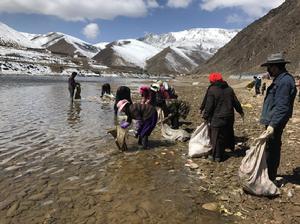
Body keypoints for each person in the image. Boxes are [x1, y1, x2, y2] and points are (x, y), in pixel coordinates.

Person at [259, 53, 297, 181]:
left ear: (275, 67)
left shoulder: (285, 81)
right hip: (273, 120)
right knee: (270, 147)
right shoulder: (280, 79)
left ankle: (270, 177)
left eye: (269, 67)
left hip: (275, 121)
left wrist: (272, 125)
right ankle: (268, 175)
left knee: (272, 148)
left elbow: (282, 106)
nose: (267, 70)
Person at [202, 72, 244, 162]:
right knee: (225, 134)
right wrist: (240, 111)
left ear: (213, 80)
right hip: (229, 116)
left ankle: (217, 156)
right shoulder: (229, 89)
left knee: (216, 137)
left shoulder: (212, 90)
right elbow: (236, 102)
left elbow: (209, 105)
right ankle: (226, 150)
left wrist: (205, 116)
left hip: (217, 117)